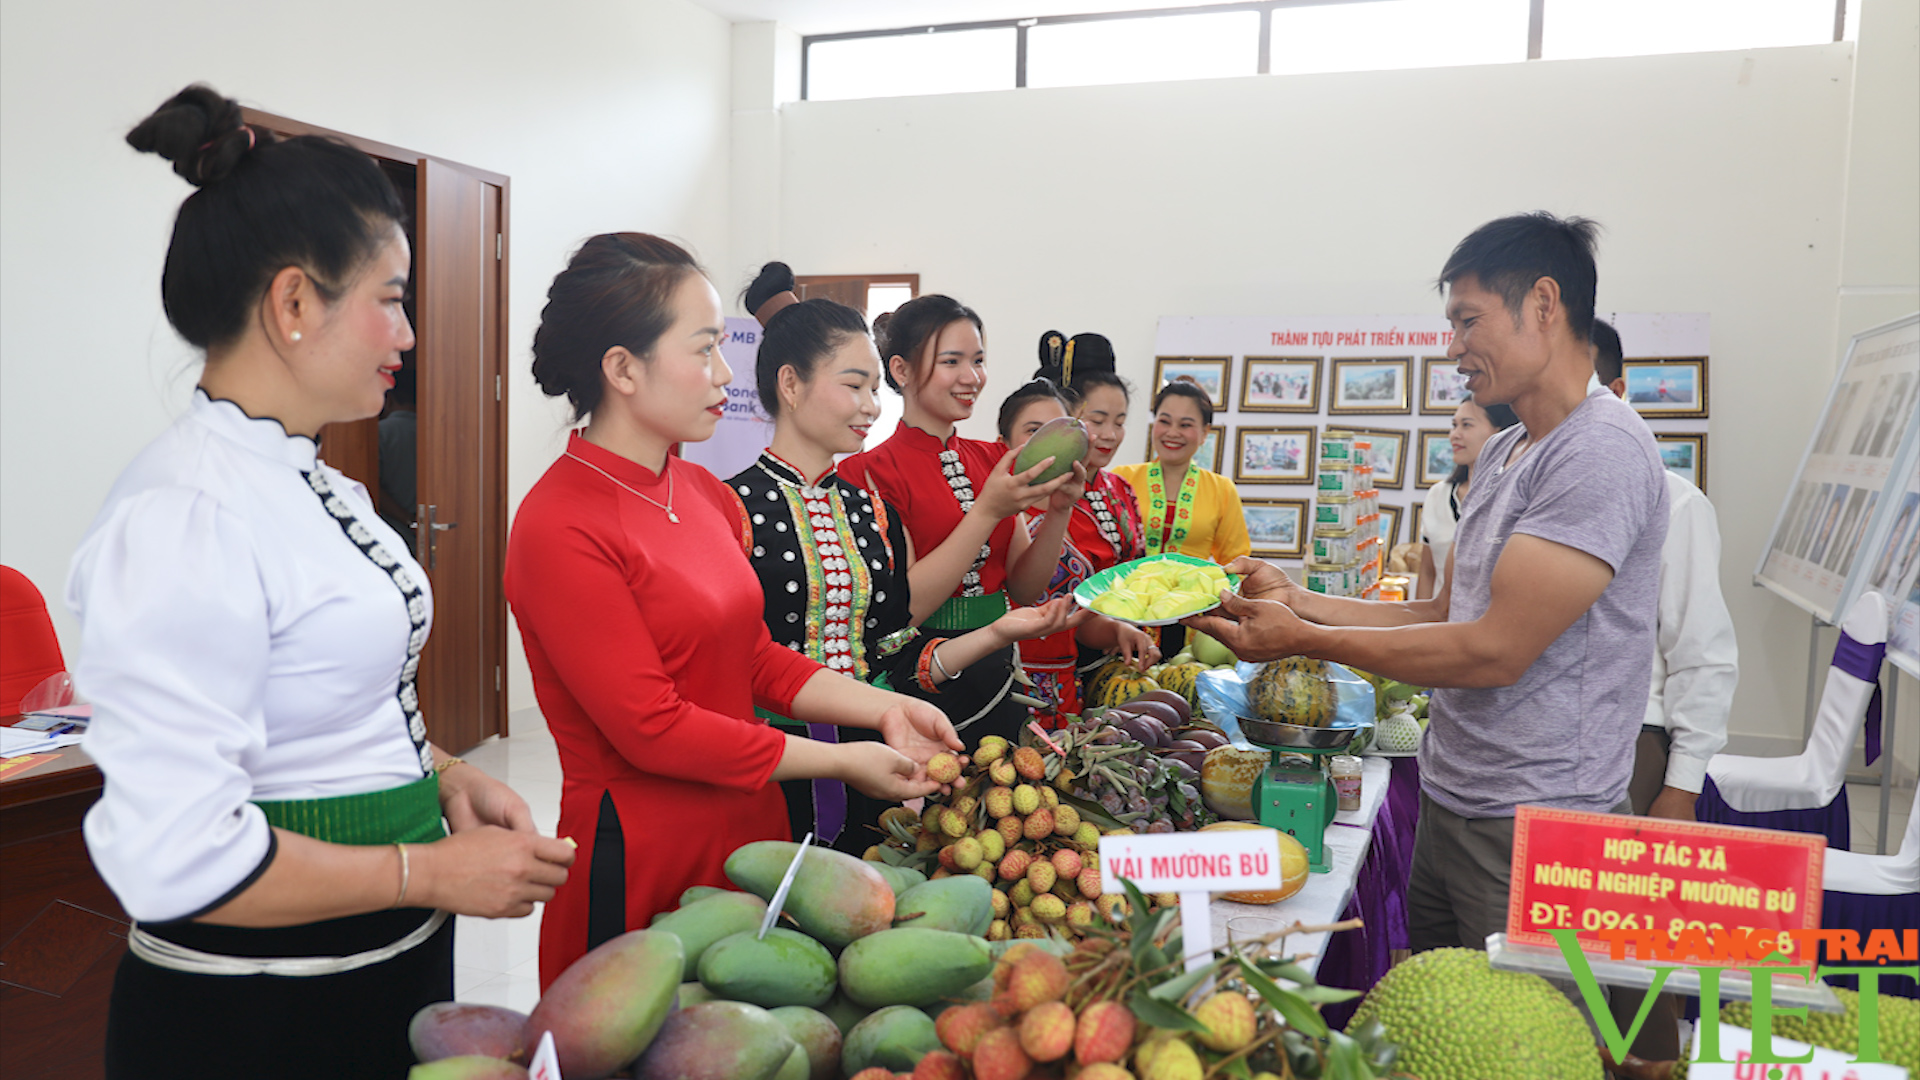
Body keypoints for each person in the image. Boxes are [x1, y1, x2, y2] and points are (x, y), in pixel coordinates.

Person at [66, 85, 575, 1079]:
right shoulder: (187, 513)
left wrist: (446, 778)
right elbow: (177, 854)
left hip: (375, 970)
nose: (409, 336)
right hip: (255, 1020)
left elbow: (324, 705)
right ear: (295, 302)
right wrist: (431, 869)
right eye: (391, 299)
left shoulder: (307, 478)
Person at [1187, 213, 1670, 967]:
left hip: (1534, 823)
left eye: (1467, 321)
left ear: (1544, 304)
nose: (1453, 350)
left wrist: (1304, 639)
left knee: (1518, 1044)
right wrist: (1298, 598)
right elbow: (1448, 611)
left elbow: (1493, 651)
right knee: (1438, 1018)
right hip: (1458, 799)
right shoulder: (1510, 448)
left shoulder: (1599, 451)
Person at [505, 235, 961, 987]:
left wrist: (883, 709)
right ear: (622, 368)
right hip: (642, 844)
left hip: (747, 827)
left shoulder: (702, 493)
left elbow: (753, 659)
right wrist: (845, 760)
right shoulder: (561, 522)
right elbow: (650, 727)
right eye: (704, 349)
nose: (725, 376)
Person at [727, 266, 1080, 852]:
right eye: (854, 386)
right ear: (790, 385)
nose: (870, 406)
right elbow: (733, 664)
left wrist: (999, 631)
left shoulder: (868, 514)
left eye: (871, 389)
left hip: (884, 746)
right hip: (775, 764)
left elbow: (894, 643)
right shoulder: (733, 504)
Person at [839, 295, 1083, 748]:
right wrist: (987, 511)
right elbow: (903, 611)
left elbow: (1024, 588)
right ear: (901, 371)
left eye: (979, 360)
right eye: (952, 362)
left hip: (1001, 671)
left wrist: (1059, 510)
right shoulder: (866, 474)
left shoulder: (992, 459)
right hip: (917, 675)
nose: (972, 378)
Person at [1592, 317, 1738, 1062]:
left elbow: (1705, 656)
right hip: (1560, 744)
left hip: (1635, 746)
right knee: (1568, 951)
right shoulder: (1531, 486)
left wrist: (1680, 784)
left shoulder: (1675, 503)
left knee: (1635, 955)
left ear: (1620, 391)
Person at [995, 334, 1158, 717]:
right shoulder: (996, 509)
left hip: (1071, 687)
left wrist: (1118, 630)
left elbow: (1078, 616)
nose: (1109, 434)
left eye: (1120, 422)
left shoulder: (1099, 495)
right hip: (999, 684)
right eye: (1097, 420)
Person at [1113, 378, 1250, 654]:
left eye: (1185, 425)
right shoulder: (1120, 480)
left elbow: (1237, 566)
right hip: (1121, 619)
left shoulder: (1221, 490)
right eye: (1165, 421)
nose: (1172, 432)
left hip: (1192, 626)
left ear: (1204, 433)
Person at [1415, 394, 1519, 600]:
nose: (1454, 434)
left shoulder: (1514, 497)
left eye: (1466, 425)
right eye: (1454, 425)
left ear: (1501, 433)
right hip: (1439, 623)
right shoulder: (1438, 494)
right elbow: (1427, 572)